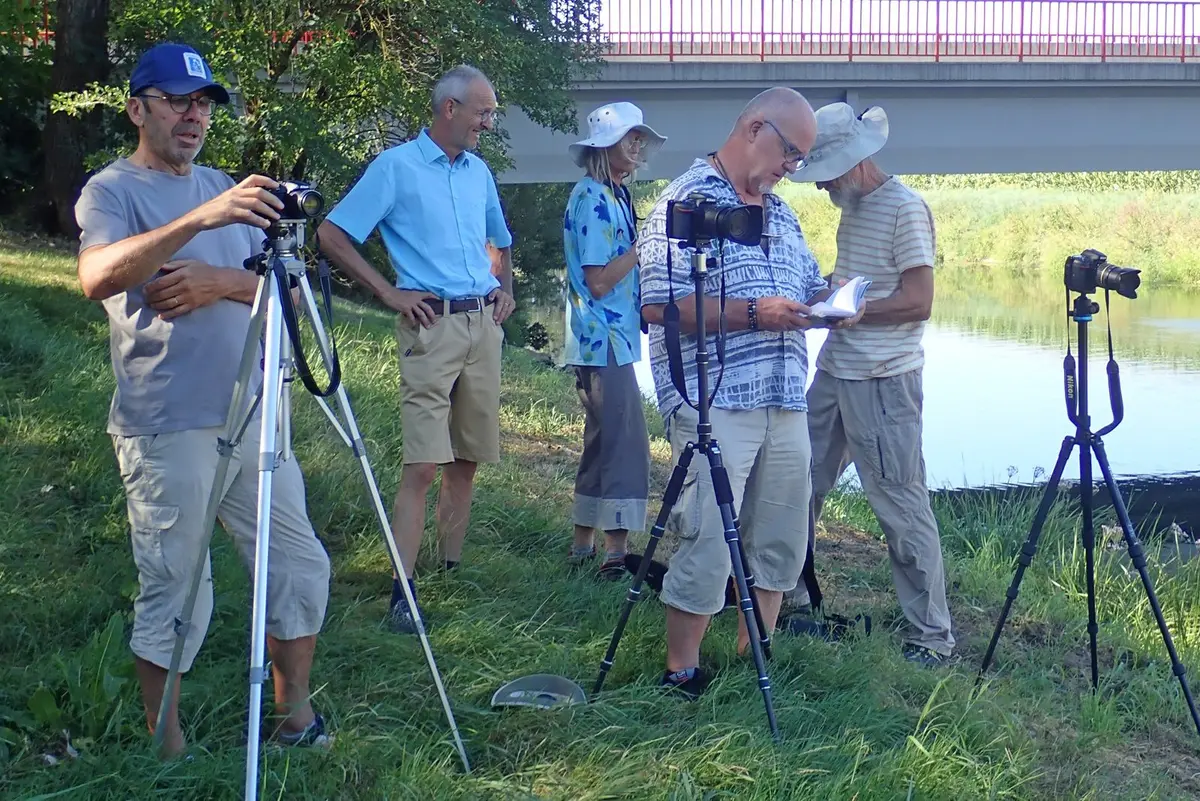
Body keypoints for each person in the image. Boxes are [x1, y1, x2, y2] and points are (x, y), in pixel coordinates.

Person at [73, 42, 332, 756]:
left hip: (255, 415)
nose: (195, 116)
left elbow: (288, 295)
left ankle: (293, 720)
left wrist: (222, 283)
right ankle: (169, 751)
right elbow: (94, 277)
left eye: (204, 104)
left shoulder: (228, 186)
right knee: (179, 590)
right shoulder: (112, 191)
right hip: (168, 422)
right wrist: (198, 222)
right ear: (137, 109)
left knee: (300, 566)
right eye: (178, 101)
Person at [638, 87, 862, 699]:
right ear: (755, 129)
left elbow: (804, 286)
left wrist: (827, 303)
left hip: (785, 397)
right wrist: (754, 315)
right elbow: (657, 306)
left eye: (799, 161)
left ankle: (751, 655)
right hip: (716, 402)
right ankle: (680, 669)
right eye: (790, 155)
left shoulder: (783, 213)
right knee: (708, 532)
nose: (793, 170)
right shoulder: (685, 200)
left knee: (782, 532)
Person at [317, 64, 515, 634]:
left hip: (482, 327)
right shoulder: (395, 168)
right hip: (431, 329)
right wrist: (386, 292)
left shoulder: (478, 171)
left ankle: (450, 569)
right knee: (423, 465)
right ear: (448, 108)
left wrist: (503, 289)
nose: (488, 122)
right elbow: (331, 234)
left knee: (468, 458)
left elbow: (498, 240)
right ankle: (402, 594)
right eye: (483, 111)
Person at [786, 102, 954, 666]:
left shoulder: (905, 208)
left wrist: (861, 313)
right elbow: (854, 283)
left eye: (825, 175)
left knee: (900, 506)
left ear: (854, 164)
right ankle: (780, 597)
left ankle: (930, 637)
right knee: (794, 484)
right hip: (836, 370)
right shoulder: (852, 206)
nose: (820, 187)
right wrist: (821, 301)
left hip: (884, 381)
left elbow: (919, 301)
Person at [561, 102, 665, 579]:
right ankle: (614, 557)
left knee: (602, 442)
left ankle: (584, 545)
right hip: (603, 342)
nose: (639, 145)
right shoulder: (595, 199)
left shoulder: (614, 194)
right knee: (627, 446)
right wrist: (642, 250)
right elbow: (599, 280)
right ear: (607, 147)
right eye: (631, 137)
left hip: (609, 339)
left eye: (641, 137)